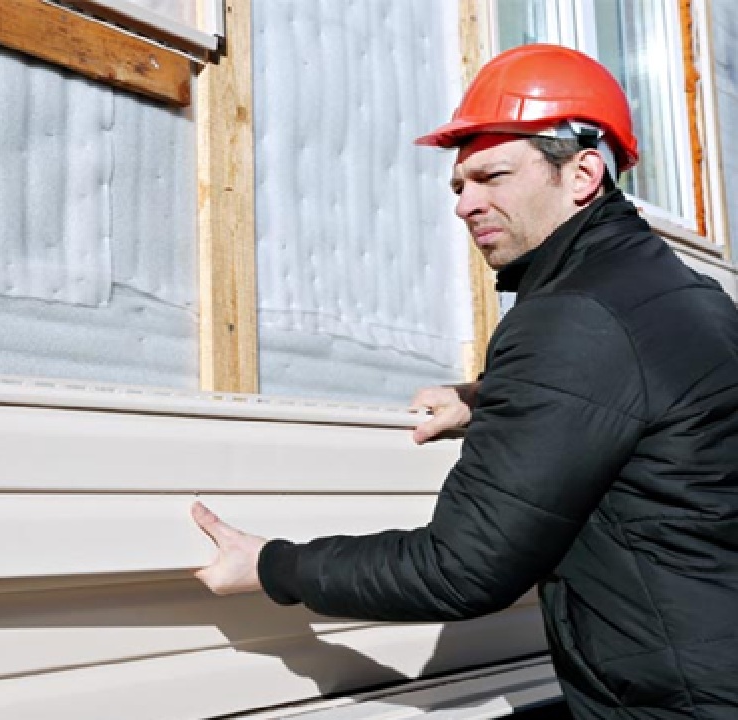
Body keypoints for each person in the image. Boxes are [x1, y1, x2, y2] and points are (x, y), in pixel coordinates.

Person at [191, 44, 738, 720]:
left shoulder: (571, 319)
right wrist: (486, 400)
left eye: (492, 176)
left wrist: (273, 567)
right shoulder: (686, 294)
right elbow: (645, 407)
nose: (465, 204)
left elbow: (461, 569)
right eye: (459, 185)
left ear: (583, 173)